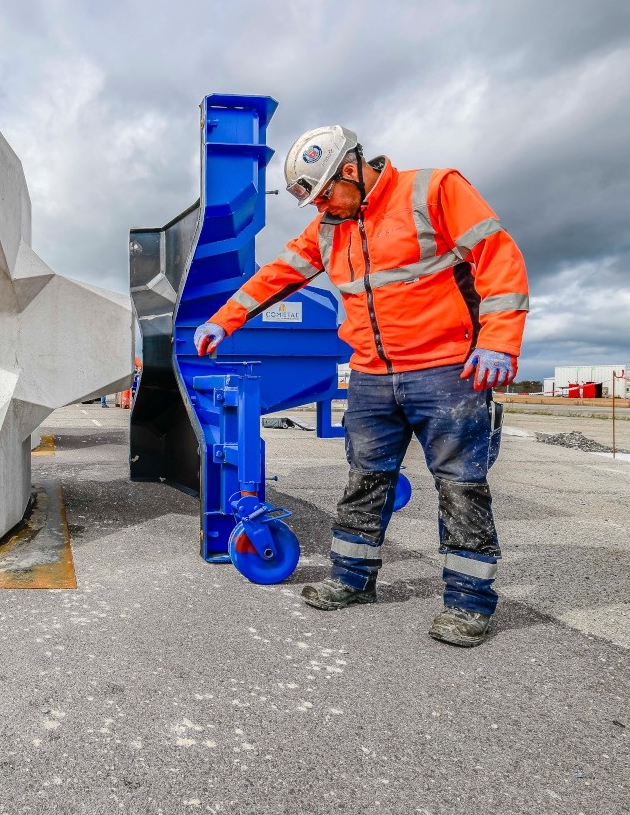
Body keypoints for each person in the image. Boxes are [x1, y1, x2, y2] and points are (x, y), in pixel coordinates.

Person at [193, 126, 528, 647]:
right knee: (365, 479)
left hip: (446, 370)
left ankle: (468, 603)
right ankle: (352, 579)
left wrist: (500, 340)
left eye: (324, 195)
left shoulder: (433, 190)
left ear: (350, 170)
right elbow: (278, 274)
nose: (321, 207)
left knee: (461, 487)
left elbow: (497, 257)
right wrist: (224, 319)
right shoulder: (330, 227)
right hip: (371, 374)